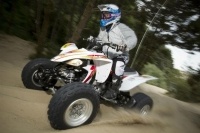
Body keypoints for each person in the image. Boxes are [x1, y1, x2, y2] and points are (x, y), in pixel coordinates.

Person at [96, 4, 138, 99]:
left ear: (114, 16)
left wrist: (125, 46)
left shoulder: (122, 28)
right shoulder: (103, 28)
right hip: (106, 54)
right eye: (103, 14)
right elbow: (100, 39)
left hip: (120, 55)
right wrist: (95, 41)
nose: (103, 16)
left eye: (106, 14)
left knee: (117, 65)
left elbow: (133, 38)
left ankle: (113, 89)